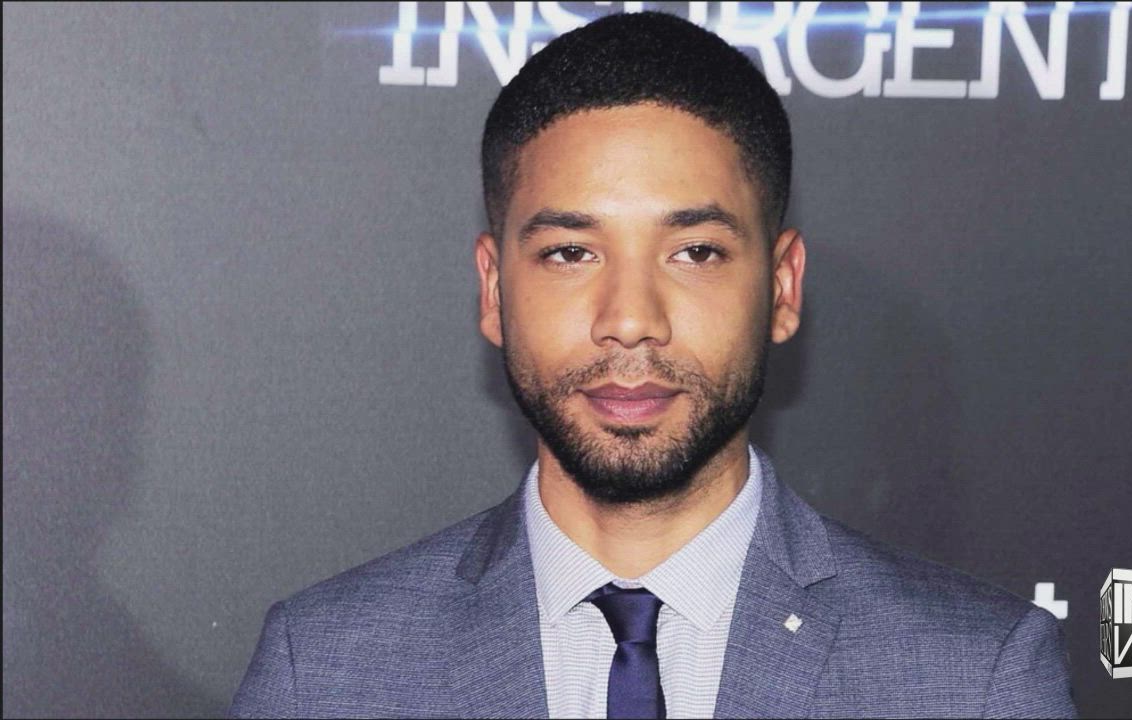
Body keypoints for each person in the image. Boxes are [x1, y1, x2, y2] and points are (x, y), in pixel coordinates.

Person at [231, 11, 1076, 719]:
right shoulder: (326, 672)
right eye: (570, 253)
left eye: (695, 252)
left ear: (783, 288)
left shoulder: (974, 679)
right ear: (493, 289)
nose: (630, 320)